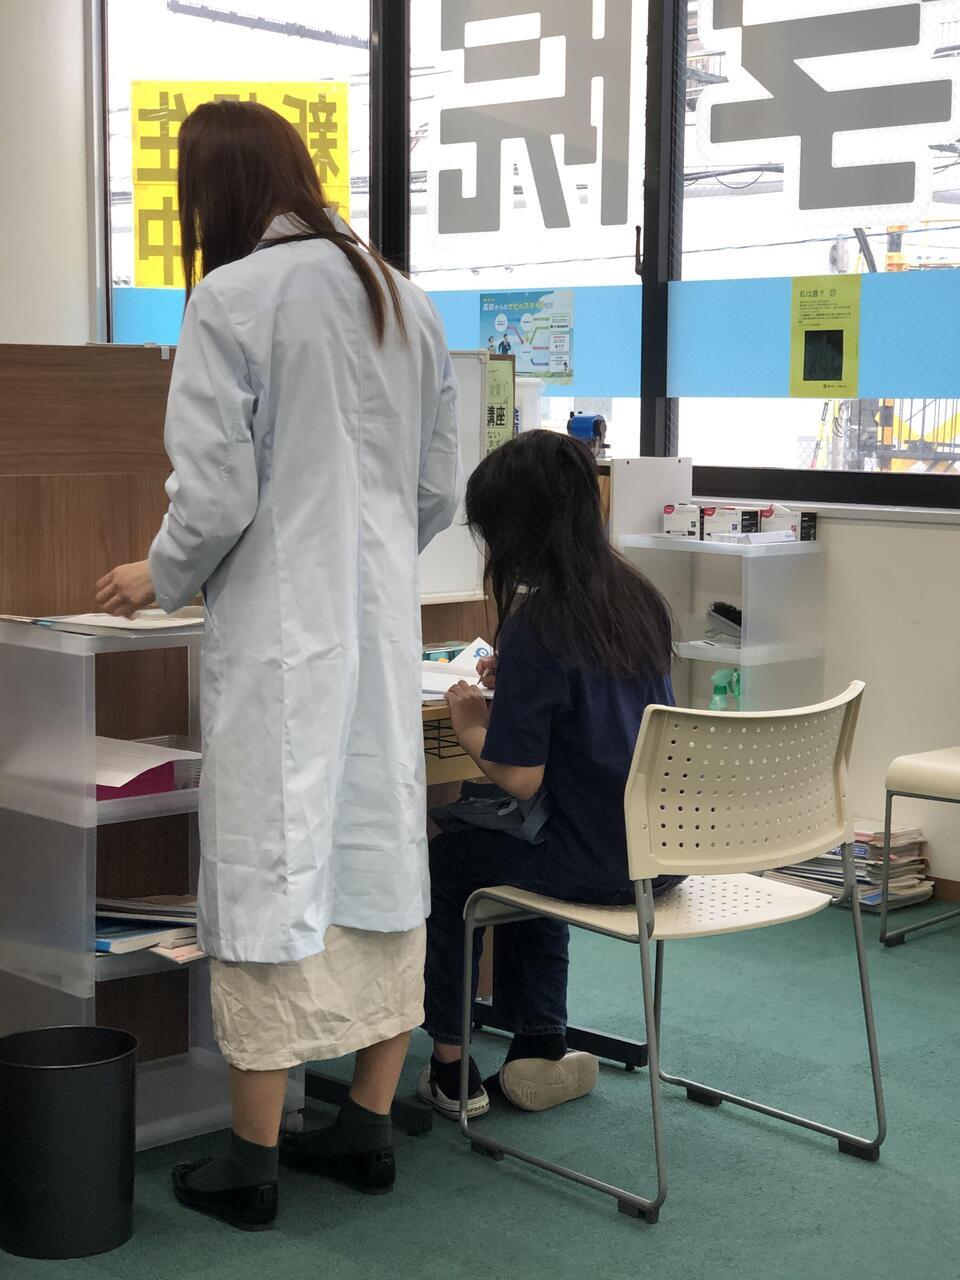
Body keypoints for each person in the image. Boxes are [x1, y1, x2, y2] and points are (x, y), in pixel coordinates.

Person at [95, 100, 460, 1231]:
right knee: (379, 857)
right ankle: (364, 1130)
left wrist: (158, 573)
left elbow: (214, 495)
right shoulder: (404, 297)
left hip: (277, 637)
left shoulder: (232, 296)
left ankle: (250, 1164)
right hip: (378, 627)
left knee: (267, 865)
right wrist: (359, 557)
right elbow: (437, 489)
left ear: (216, 192)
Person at [418, 431, 682, 1119]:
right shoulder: (636, 599)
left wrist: (470, 723)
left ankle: (450, 1067)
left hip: (592, 861)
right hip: (661, 854)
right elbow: (597, 706)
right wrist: (519, 684)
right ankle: (539, 1044)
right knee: (527, 840)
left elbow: (522, 778)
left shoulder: (538, 622)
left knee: (450, 862)